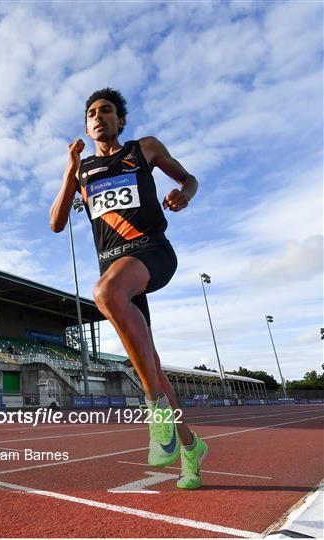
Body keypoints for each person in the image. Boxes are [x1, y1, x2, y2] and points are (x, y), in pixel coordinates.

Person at [50, 88, 207, 489]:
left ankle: (154, 413)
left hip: (152, 252)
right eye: (91, 113)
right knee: (150, 364)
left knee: (104, 294)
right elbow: (55, 222)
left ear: (121, 121)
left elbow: (189, 179)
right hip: (116, 270)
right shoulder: (82, 171)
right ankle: (189, 447)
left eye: (106, 110)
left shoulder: (144, 149)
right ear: (86, 126)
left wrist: (183, 195)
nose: (98, 116)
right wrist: (70, 170)